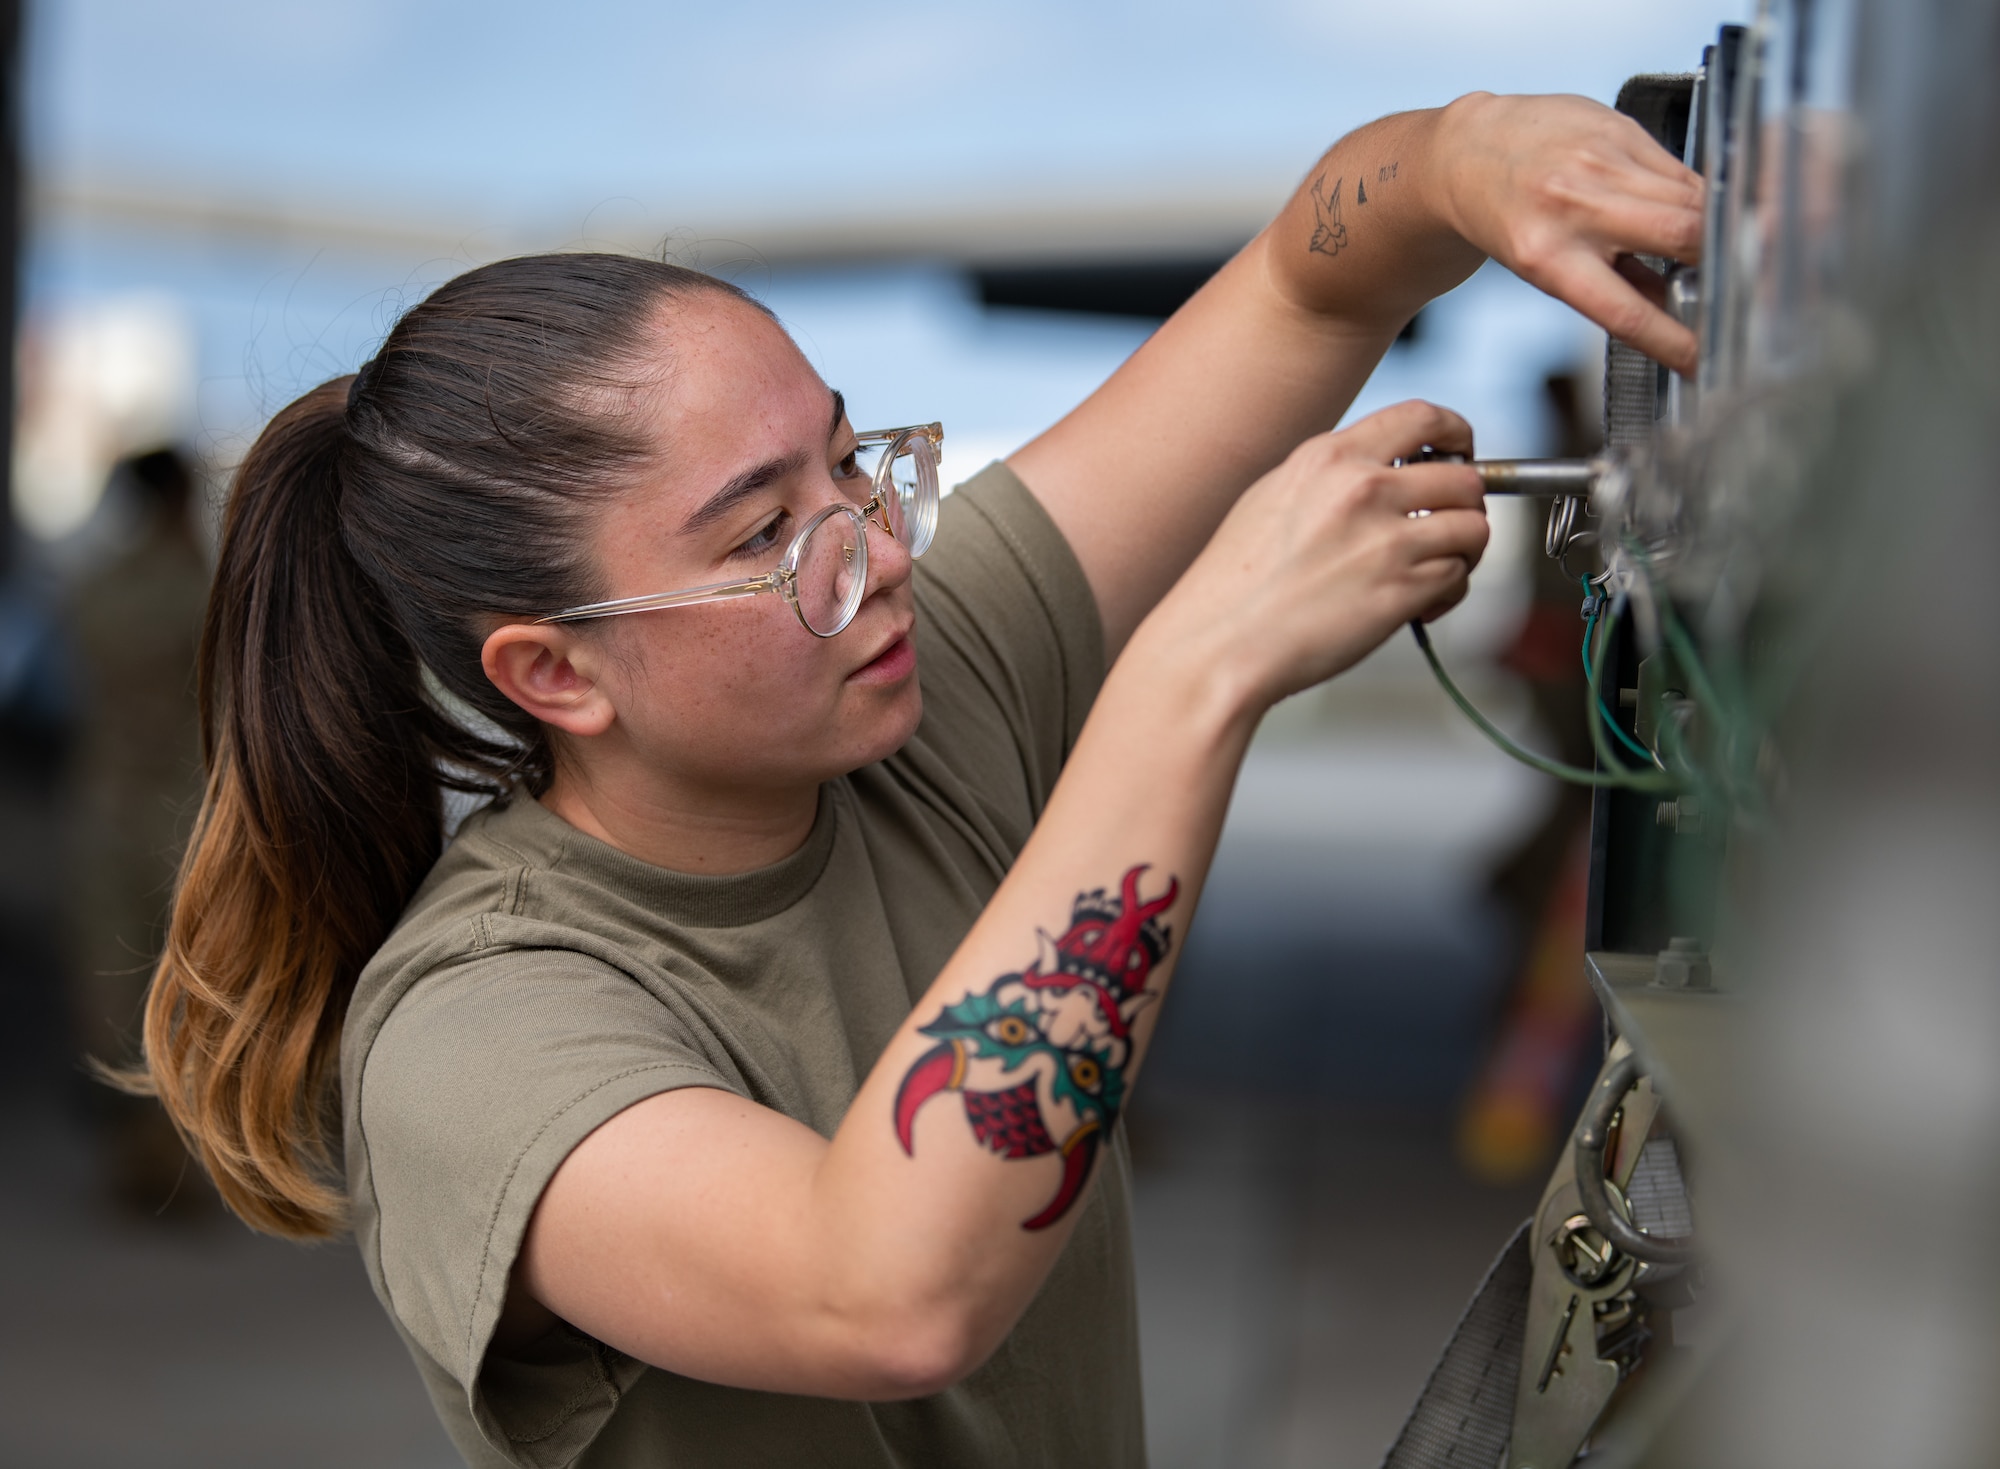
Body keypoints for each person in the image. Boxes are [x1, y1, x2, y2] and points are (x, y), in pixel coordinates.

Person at [139, 93, 1701, 1466]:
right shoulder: (482, 1030)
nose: (879, 553)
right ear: (556, 673)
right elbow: (882, 1293)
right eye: (764, 534)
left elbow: (1306, 282)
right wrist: (1198, 669)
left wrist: (1456, 158)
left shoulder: (910, 679)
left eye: (851, 460)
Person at [66, 447, 212, 1212]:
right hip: (184, 812)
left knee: (114, 989)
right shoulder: (202, 588)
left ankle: (136, 1157)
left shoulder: (97, 590)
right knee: (183, 986)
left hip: (107, 808)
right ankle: (168, 1163)